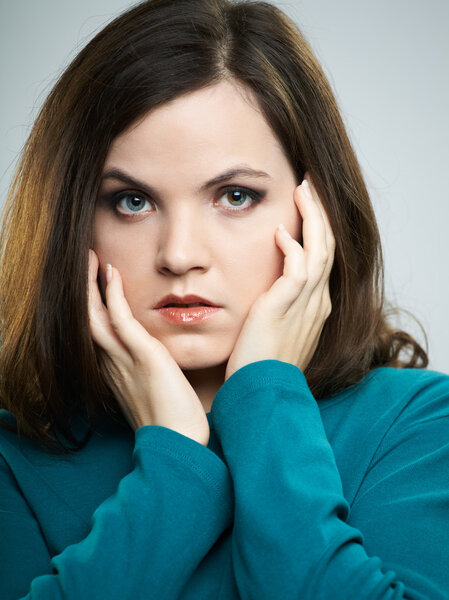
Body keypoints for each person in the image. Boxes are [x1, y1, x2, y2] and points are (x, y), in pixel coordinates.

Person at [0, 0, 447, 598]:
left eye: (235, 196)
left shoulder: (417, 423)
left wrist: (264, 393)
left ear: (314, 211)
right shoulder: (15, 458)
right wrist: (174, 461)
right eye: (132, 202)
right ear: (72, 225)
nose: (180, 254)